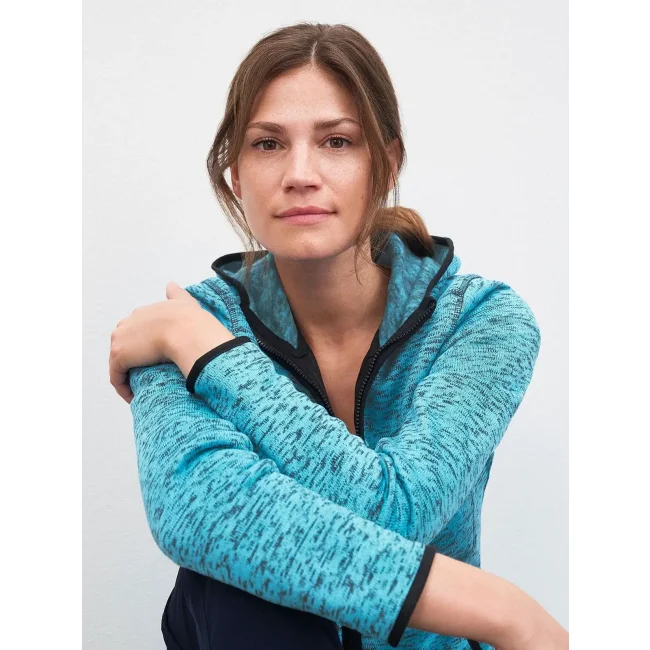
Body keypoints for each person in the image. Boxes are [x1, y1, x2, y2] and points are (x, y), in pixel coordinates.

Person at [109, 22, 568, 650]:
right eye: (268, 144)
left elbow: (402, 510)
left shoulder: (479, 320)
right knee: (237, 578)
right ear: (235, 173)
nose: (300, 173)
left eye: (337, 141)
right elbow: (197, 510)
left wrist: (214, 358)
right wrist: (501, 610)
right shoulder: (184, 323)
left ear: (386, 163)